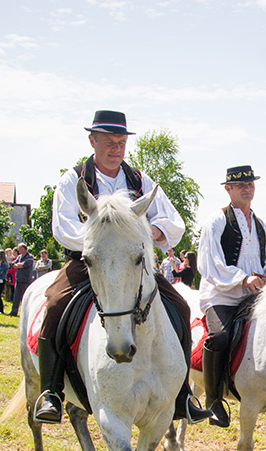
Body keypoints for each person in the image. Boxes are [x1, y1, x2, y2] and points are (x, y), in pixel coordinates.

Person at [35, 109, 211, 426]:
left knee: (180, 308)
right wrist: (103, 241)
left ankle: (182, 393)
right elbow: (63, 229)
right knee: (54, 303)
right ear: (92, 141)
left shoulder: (140, 180)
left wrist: (150, 233)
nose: (116, 148)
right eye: (108, 142)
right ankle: (51, 393)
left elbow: (174, 223)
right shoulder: (74, 179)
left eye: (121, 142)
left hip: (133, 265)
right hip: (88, 262)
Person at [197, 164, 266, 427]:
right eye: (240, 185)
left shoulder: (260, 224)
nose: (247, 189)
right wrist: (242, 278)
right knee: (220, 337)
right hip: (222, 296)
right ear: (228, 189)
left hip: (255, 296)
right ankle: (213, 401)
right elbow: (210, 264)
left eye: (250, 184)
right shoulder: (216, 221)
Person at [9, 243, 34, 317]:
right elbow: (13, 264)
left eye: (20, 248)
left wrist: (18, 265)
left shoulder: (30, 257)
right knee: (16, 297)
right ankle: (14, 312)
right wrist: (17, 265)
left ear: (24, 249)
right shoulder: (19, 257)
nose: (18, 250)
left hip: (26, 279)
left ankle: (27, 313)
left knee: (26, 297)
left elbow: (25, 264)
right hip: (18, 279)